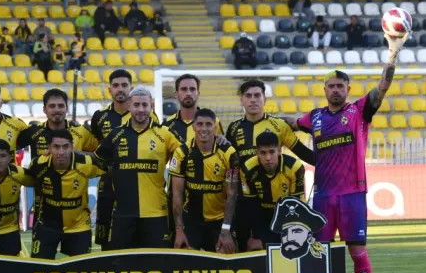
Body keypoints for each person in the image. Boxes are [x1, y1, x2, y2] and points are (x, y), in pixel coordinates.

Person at [282, 31, 410, 273]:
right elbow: (290, 123)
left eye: (340, 85)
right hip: (324, 197)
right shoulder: (312, 118)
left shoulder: (358, 111)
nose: (336, 89)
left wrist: (392, 55)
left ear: (347, 88)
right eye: (331, 86)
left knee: (357, 252)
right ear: (325, 89)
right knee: (319, 254)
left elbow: (383, 86)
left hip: (353, 194)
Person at [225, 79, 314, 253]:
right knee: (246, 251)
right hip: (245, 202)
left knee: (278, 252)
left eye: (257, 95)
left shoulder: (279, 126)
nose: (253, 100)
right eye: (248, 96)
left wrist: (330, 159)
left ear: (264, 99)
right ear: (241, 100)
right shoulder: (233, 129)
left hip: (275, 203)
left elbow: (304, 153)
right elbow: (230, 165)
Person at [94, 86, 181, 250]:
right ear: (128, 106)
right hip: (123, 214)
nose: (141, 110)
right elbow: (96, 160)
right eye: (136, 105)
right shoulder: (116, 134)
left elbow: (188, 154)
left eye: (145, 105)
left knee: (158, 262)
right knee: (122, 266)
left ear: (152, 106)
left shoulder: (165, 134)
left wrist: (216, 139)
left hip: (156, 213)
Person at [90, 70, 159, 250]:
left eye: (124, 85)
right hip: (108, 186)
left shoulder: (146, 115)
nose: (120, 89)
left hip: (140, 189)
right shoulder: (99, 116)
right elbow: (94, 150)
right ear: (110, 89)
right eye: (116, 85)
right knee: (109, 243)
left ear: (131, 88)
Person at [17, 89, 99, 227]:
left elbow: (100, 155)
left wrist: (78, 154)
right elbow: (5, 149)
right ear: (44, 109)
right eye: (52, 106)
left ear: (67, 108)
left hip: (76, 211)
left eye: (61, 106)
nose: (57, 110)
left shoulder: (81, 132)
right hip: (44, 208)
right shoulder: (33, 133)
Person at [27, 130, 104, 259]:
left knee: (80, 270)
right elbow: (27, 180)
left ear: (72, 146)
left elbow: (112, 166)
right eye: (56, 147)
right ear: (49, 148)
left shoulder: (86, 163)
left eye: (65, 147)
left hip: (79, 225)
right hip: (47, 225)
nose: (61, 152)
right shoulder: (38, 164)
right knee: (39, 268)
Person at [170, 108, 239, 253]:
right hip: (192, 220)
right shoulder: (182, 153)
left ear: (215, 126)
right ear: (193, 126)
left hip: (219, 221)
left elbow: (231, 194)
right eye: (200, 124)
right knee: (187, 259)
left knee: (226, 256)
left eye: (208, 124)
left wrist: (225, 230)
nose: (204, 128)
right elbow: (177, 193)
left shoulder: (228, 153)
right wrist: (179, 230)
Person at [239, 132, 305, 249]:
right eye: (263, 153)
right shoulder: (247, 169)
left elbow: (297, 204)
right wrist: (257, 236)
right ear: (257, 152)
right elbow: (251, 206)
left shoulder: (295, 167)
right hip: (262, 215)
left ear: (279, 150)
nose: (268, 158)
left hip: (287, 215)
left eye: (272, 152)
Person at [163, 74, 224, 146]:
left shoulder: (214, 122)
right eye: (184, 89)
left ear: (198, 94)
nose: (188, 93)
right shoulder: (166, 125)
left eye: (192, 89)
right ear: (176, 94)